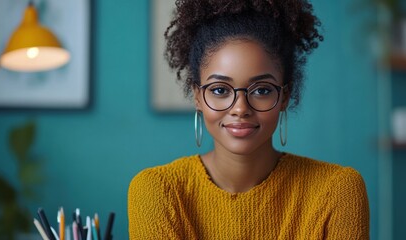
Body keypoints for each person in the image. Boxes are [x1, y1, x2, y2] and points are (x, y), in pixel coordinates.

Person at [128, 0, 370, 239]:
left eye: (262, 90)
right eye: (220, 90)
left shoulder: (338, 191)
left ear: (284, 95)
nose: (240, 108)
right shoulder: (157, 191)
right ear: (198, 97)